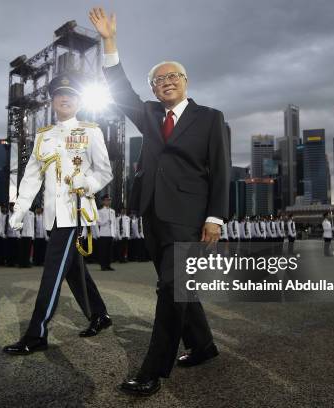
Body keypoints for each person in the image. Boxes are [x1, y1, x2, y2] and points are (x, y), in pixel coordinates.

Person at [90, 7, 229, 396]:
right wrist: (109, 42)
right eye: (158, 79)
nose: (165, 82)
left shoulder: (210, 118)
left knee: (170, 288)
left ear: (185, 81)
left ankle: (152, 369)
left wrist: (216, 217)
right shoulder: (149, 115)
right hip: (152, 213)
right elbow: (119, 88)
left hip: (190, 217)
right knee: (176, 286)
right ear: (152, 90)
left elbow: (220, 170)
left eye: (172, 76)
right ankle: (202, 345)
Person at [3, 73, 113, 356]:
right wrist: (20, 209)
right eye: (60, 95)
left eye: (72, 95)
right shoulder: (43, 137)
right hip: (52, 216)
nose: (65, 98)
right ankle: (99, 314)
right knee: (74, 271)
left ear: (78, 101)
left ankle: (36, 333)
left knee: (52, 271)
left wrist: (87, 184)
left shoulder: (91, 131)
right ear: (53, 101)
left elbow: (104, 172)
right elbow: (31, 177)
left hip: (75, 214)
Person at [97, 194, 116, 270]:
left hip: (110, 233)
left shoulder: (112, 211)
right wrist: (106, 221)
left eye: (109, 200)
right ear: (103, 201)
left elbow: (114, 223)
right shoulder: (100, 211)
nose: (108, 201)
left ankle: (108, 265)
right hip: (103, 233)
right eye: (107, 200)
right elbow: (99, 222)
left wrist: (114, 233)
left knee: (109, 251)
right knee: (103, 251)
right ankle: (103, 266)